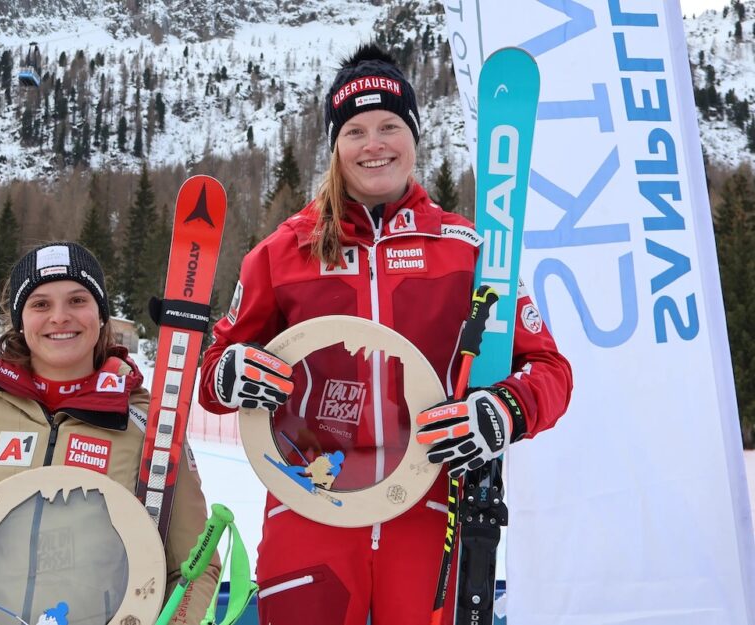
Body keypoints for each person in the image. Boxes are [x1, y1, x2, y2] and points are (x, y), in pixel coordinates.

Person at [197, 44, 573, 624]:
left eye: (389, 126)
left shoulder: (468, 251)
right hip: (308, 501)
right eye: (355, 131)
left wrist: (502, 411)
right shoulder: (283, 253)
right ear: (334, 148)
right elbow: (214, 373)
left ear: (414, 136)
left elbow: (550, 371)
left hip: (431, 506)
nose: (374, 145)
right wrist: (231, 372)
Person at [0, 241, 218, 624]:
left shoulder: (149, 428)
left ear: (100, 314)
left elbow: (195, 567)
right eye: (40, 304)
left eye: (78, 300)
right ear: (20, 320)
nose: (60, 317)